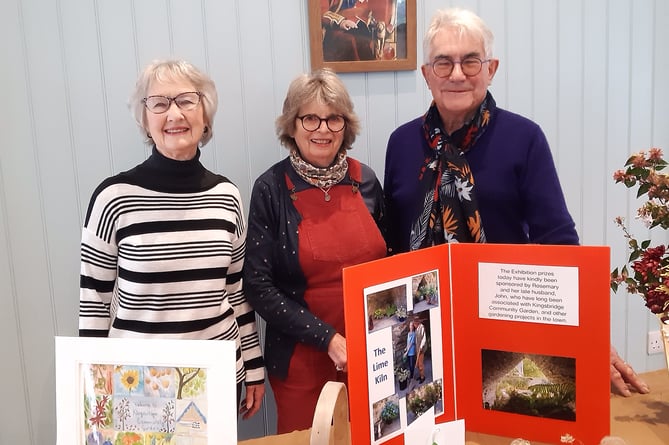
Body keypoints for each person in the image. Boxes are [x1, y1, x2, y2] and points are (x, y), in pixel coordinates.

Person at [383, 7, 650, 397]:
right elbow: (392, 247)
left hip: (506, 323)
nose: (457, 74)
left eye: (470, 61)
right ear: (427, 74)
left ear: (491, 69)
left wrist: (589, 337)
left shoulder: (523, 138)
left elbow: (558, 241)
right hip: (422, 333)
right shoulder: (401, 143)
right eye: (443, 63)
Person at [78, 59, 265, 418]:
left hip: (216, 376)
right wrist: (92, 392)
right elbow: (95, 303)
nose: (174, 113)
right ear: (145, 120)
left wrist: (253, 367)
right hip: (138, 384)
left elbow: (236, 291)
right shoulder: (112, 199)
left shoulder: (227, 196)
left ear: (205, 115)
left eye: (186, 101)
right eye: (159, 103)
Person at [244, 68, 387, 433]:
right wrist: (328, 339)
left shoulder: (366, 180)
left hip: (372, 357)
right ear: (292, 126)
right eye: (310, 118)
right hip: (300, 364)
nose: (323, 129)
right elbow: (258, 286)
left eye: (333, 118)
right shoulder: (271, 189)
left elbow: (392, 265)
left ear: (346, 125)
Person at [412, 316, 427, 383]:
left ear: (417, 323)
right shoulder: (416, 328)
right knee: (417, 364)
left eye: (414, 324)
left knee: (420, 365)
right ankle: (420, 375)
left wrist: (421, 347)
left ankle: (422, 377)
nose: (413, 326)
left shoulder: (422, 327)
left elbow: (424, 338)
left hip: (421, 348)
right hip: (417, 348)